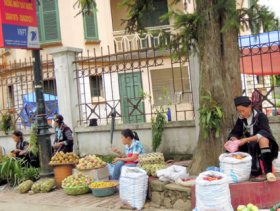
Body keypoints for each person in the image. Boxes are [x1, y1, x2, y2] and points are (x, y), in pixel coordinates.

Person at [228, 96, 279, 182]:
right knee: (234, 147)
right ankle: (250, 172)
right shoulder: (241, 119)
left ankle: (268, 172)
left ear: (250, 106)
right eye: (239, 111)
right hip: (250, 146)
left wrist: (246, 140)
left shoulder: (261, 116)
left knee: (263, 140)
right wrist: (233, 140)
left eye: (243, 110)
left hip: (265, 147)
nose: (242, 113)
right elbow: (235, 132)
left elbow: (264, 132)